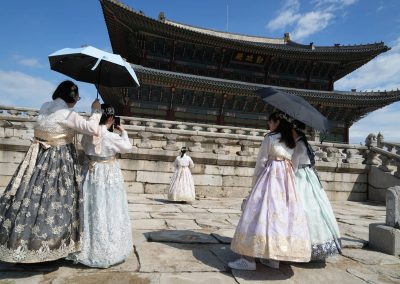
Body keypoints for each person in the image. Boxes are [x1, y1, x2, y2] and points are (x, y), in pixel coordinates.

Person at [0, 80, 102, 263]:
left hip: (37, 157)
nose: (78, 101)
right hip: (59, 160)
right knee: (58, 200)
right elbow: (93, 129)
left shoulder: (45, 106)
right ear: (72, 97)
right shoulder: (68, 114)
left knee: (29, 198)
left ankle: (17, 241)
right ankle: (49, 246)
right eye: (77, 97)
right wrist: (96, 111)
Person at [229, 112, 311, 270]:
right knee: (280, 215)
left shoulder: (270, 138)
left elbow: (261, 161)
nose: (269, 125)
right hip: (287, 179)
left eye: (270, 122)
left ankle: (248, 259)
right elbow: (293, 164)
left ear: (276, 122)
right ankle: (273, 259)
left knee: (258, 213)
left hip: (271, 175)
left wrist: (255, 185)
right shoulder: (291, 141)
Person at [68, 104, 133, 268]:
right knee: (108, 207)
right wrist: (123, 132)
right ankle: (107, 248)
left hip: (90, 172)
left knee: (90, 207)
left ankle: (85, 246)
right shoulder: (110, 136)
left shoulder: (88, 134)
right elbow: (127, 147)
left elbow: (84, 144)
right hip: (108, 173)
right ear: (111, 118)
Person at [291, 121, 341, 261]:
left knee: (303, 208)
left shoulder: (298, 145)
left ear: (295, 131)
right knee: (315, 207)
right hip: (309, 176)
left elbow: (294, 167)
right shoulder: (305, 144)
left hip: (301, 176)